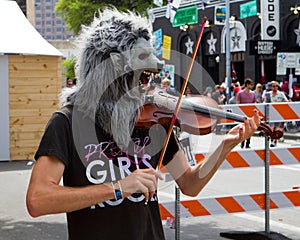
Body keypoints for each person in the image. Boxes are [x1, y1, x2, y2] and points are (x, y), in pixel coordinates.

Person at [26, 8, 260, 240]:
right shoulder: (67, 122)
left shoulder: (151, 122)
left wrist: (226, 146)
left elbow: (190, 184)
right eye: (142, 66)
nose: (153, 72)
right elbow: (38, 200)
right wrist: (118, 188)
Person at [263, 80, 288, 147]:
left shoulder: (281, 94)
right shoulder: (268, 94)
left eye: (277, 86)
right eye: (274, 86)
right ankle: (272, 140)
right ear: (271, 87)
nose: (275, 87)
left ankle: (275, 141)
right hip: (270, 114)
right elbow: (264, 103)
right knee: (271, 128)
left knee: (277, 128)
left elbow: (286, 102)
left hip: (278, 114)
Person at [236, 78, 257, 148]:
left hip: (250, 114)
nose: (252, 86)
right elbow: (238, 104)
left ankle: (248, 142)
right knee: (243, 128)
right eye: (251, 85)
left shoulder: (253, 93)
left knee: (250, 129)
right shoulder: (240, 93)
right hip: (242, 114)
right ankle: (242, 141)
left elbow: (254, 103)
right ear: (247, 85)